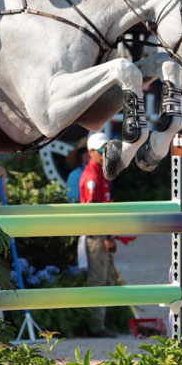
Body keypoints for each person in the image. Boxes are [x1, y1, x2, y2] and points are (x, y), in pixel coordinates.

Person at [79, 131, 119, 338]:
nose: (105, 154)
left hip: (102, 233)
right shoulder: (92, 176)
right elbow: (94, 211)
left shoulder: (100, 173)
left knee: (108, 278)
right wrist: (106, 237)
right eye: (100, 151)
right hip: (97, 235)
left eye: (107, 150)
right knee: (98, 279)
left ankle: (100, 322)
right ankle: (95, 326)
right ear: (90, 153)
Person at [65, 137, 89, 202]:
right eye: (83, 151)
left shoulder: (103, 172)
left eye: (90, 150)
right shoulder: (74, 175)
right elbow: (73, 202)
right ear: (79, 155)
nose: (88, 153)